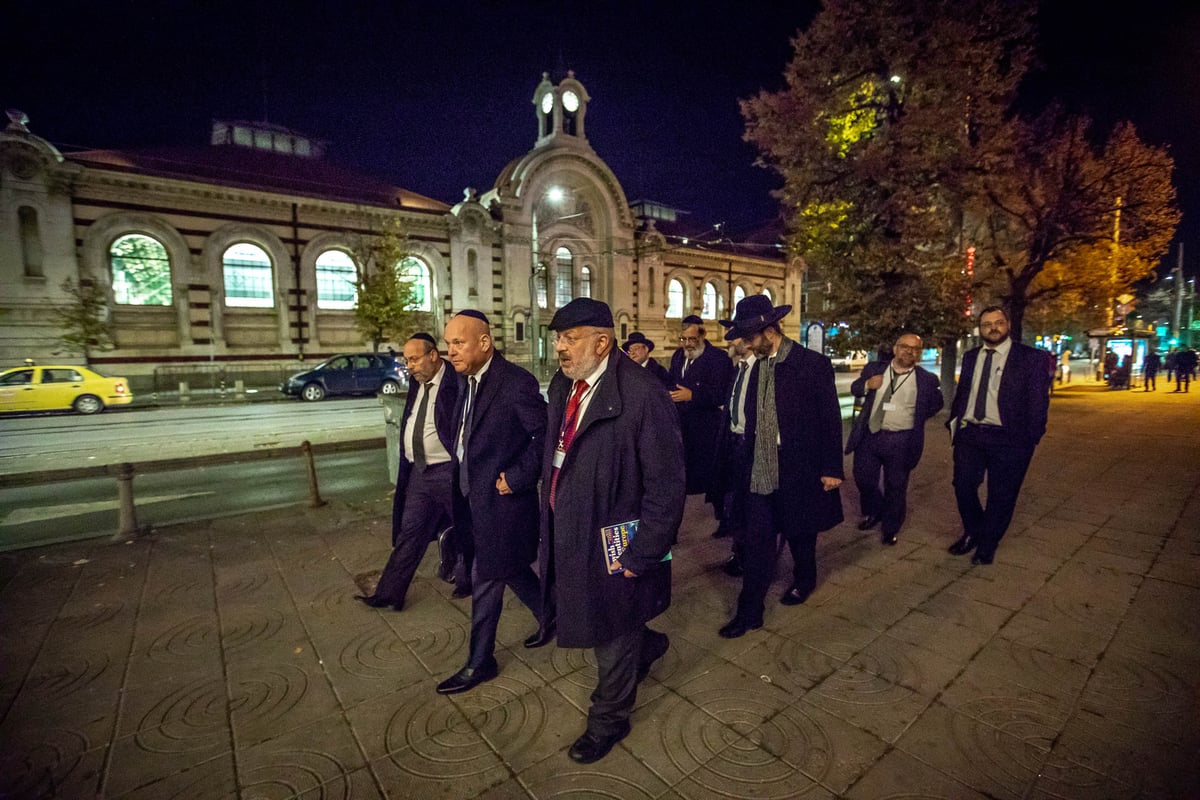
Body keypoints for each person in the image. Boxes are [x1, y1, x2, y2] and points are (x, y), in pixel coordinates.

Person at [535, 298, 684, 763]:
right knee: (607, 619)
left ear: (602, 342)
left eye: (569, 338)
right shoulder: (565, 385)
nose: (559, 347)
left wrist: (642, 554)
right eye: (557, 338)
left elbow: (667, 484)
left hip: (615, 539)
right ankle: (650, 644)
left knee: (611, 628)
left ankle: (608, 720)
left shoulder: (643, 394)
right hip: (571, 529)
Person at [717, 296, 844, 639]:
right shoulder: (757, 367)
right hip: (760, 469)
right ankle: (750, 612)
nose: (745, 343)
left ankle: (805, 579)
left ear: (770, 331)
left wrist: (832, 467)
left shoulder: (811, 365)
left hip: (799, 468)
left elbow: (830, 419)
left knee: (801, 532)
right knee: (758, 542)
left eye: (750, 337)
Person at [435, 310, 547, 694]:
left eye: (458, 343)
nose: (450, 351)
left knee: (486, 580)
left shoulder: (515, 383)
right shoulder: (466, 380)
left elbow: (544, 437)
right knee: (513, 570)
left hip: (503, 507)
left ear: (484, 342)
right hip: (472, 500)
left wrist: (516, 477)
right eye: (448, 343)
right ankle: (553, 618)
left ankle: (479, 661)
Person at [356, 333, 461, 611]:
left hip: (448, 472)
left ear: (433, 356)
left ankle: (478, 579)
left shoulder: (456, 381)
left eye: (414, 359)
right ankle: (389, 593)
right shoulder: (419, 382)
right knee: (409, 533)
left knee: (470, 528)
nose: (410, 366)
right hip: (420, 473)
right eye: (407, 360)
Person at [947, 306, 1051, 565]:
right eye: (987, 324)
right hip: (971, 434)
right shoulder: (971, 357)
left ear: (1008, 325)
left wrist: (1031, 437)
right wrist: (955, 423)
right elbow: (965, 393)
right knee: (963, 485)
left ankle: (987, 543)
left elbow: (1039, 401)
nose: (993, 328)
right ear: (980, 329)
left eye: (998, 322)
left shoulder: (1031, 358)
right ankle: (973, 530)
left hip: (1011, 439)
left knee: (1001, 495)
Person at [846, 333, 943, 545]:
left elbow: (937, 404)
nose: (909, 351)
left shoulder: (926, 379)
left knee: (896, 486)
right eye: (905, 347)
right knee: (863, 478)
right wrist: (866, 385)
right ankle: (874, 511)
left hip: (901, 440)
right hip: (870, 436)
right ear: (895, 348)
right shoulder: (874, 369)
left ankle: (890, 527)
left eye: (915, 349)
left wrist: (914, 416)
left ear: (919, 353)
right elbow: (855, 388)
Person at [669, 314, 734, 526]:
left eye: (692, 339)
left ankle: (724, 520)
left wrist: (693, 395)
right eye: (684, 339)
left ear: (702, 335)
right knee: (681, 480)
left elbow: (722, 393)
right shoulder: (678, 357)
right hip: (683, 429)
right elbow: (672, 383)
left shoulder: (718, 359)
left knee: (715, 478)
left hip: (708, 429)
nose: (687, 344)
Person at [713, 332, 756, 567]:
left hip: (750, 446)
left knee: (748, 505)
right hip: (733, 443)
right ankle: (739, 550)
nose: (729, 342)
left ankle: (747, 555)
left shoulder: (760, 370)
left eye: (734, 338)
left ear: (747, 341)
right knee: (733, 500)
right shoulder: (739, 368)